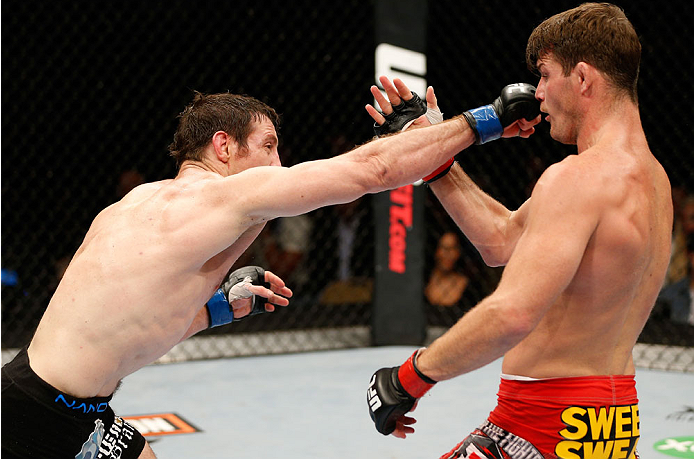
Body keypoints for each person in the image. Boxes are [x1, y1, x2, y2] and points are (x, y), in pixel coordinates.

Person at [0, 84, 539, 459]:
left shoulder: (140, 203)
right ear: (223, 146)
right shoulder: (221, 198)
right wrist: (485, 119)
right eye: (269, 147)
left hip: (48, 398)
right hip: (39, 419)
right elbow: (369, 170)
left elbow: (129, 326)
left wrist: (218, 309)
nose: (280, 166)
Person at [366, 3, 672, 459]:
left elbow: (512, 314)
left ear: (583, 78)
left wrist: (409, 377)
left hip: (539, 427)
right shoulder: (655, 182)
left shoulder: (577, 178)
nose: (538, 93)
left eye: (546, 75)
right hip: (611, 431)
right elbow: (502, 240)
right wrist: (435, 157)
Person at [425, 231, 469, 307]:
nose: (448, 254)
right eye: (444, 248)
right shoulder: (423, 279)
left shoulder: (466, 284)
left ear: (458, 253)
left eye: (453, 248)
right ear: (436, 251)